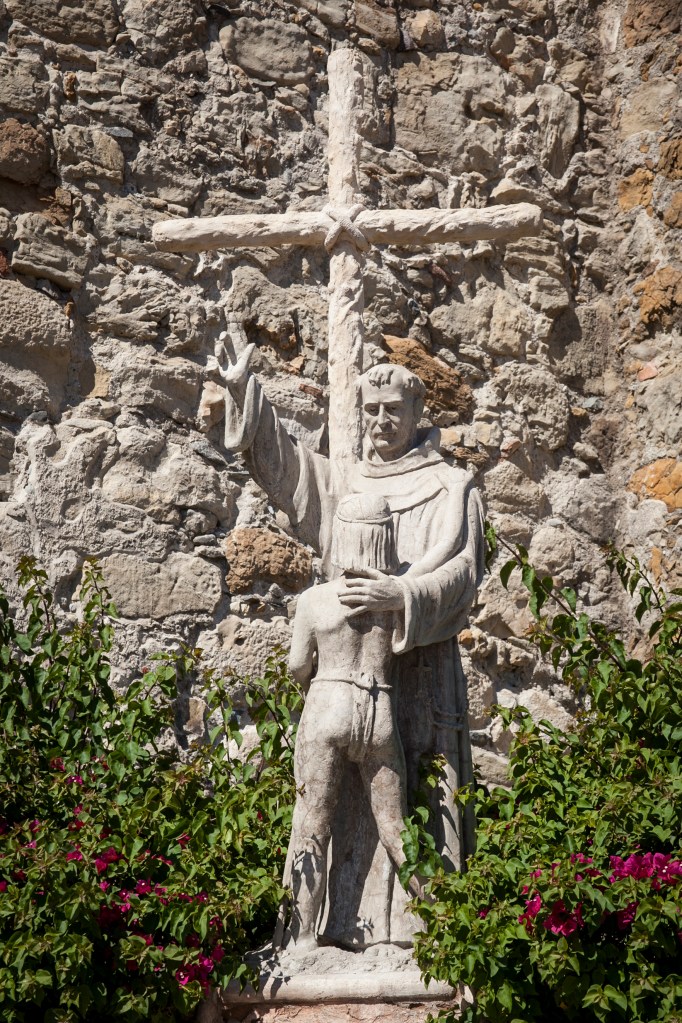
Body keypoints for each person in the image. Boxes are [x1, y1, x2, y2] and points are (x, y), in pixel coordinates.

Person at [221, 342, 485, 947]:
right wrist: (245, 392)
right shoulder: (346, 479)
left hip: (420, 668)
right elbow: (287, 471)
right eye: (370, 410)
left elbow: (464, 571)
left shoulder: (452, 487)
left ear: (418, 412)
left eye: (394, 409)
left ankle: (426, 939)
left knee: (414, 799)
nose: (381, 421)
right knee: (344, 812)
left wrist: (402, 594)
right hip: (357, 685)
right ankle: (339, 931)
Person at [283, 493, 422, 952]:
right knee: (396, 828)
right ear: (383, 538)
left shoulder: (315, 600)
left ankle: (300, 940)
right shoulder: (389, 603)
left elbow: (297, 665)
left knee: (313, 825)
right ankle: (440, 924)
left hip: (329, 702)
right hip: (377, 708)